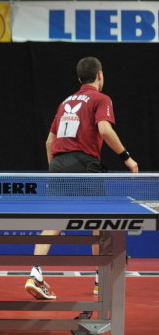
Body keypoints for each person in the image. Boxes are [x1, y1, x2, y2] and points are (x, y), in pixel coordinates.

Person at [25, 56, 139, 300]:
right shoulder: (100, 98)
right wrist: (127, 158)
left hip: (58, 165)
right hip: (84, 165)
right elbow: (105, 130)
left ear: (79, 79)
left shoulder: (65, 102)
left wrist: (55, 170)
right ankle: (101, 279)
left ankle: (35, 274)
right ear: (99, 75)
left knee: (53, 223)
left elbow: (49, 142)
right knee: (99, 225)